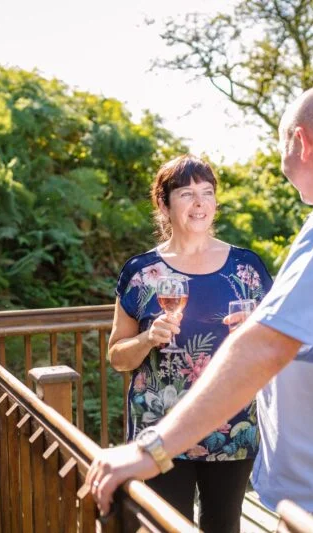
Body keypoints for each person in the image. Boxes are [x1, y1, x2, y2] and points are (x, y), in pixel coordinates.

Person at [86, 87, 313, 533]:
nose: (283, 166)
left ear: (301, 141)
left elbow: (264, 347)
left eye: (282, 150)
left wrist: (150, 450)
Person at [107, 154, 273, 532]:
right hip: (161, 431)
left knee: (223, 526)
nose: (200, 203)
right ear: (164, 204)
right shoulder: (141, 273)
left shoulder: (247, 269)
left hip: (232, 427)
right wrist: (147, 338)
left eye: (207, 192)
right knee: (166, 525)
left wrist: (255, 331)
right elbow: (117, 357)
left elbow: (277, 341)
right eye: (186, 194)